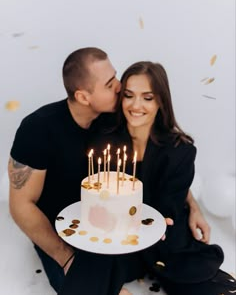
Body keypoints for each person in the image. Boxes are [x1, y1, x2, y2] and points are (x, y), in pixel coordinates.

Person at [8, 48, 210, 295]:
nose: (118, 86)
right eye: (110, 83)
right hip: (64, 233)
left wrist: (192, 205)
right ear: (84, 97)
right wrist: (66, 258)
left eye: (115, 77)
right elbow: (20, 205)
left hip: (112, 224)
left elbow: (157, 160)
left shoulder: (110, 119)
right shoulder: (39, 129)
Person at [90, 60, 235, 295]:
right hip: (116, 237)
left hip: (164, 236)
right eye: (128, 95)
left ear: (161, 101)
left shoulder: (181, 150)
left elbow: (167, 208)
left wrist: (192, 206)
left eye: (147, 97)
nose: (136, 105)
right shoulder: (104, 139)